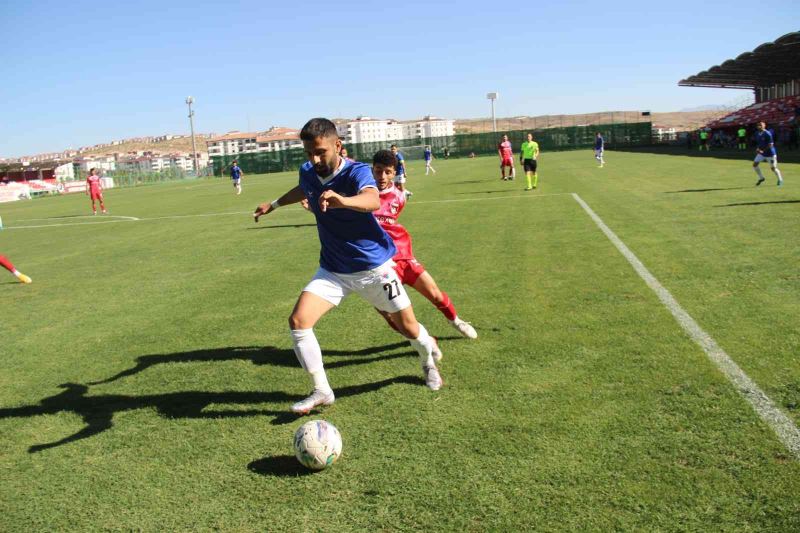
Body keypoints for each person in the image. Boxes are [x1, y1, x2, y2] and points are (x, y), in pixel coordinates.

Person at [253, 118, 443, 415]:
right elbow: (304, 188)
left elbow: (371, 200)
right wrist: (273, 205)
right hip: (333, 269)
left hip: (373, 268)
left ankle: (426, 360)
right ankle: (322, 390)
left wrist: (342, 200)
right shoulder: (309, 171)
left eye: (320, 152)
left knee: (408, 328)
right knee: (299, 322)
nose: (314, 159)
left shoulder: (357, 171)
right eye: (308, 153)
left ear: (337, 146)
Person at [371, 149, 477, 339]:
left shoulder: (399, 197)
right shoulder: (363, 195)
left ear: (394, 172)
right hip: (377, 265)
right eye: (378, 171)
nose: (382, 176)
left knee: (435, 294)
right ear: (372, 170)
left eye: (387, 171)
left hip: (403, 257)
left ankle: (456, 320)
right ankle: (423, 340)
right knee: (388, 312)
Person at [753, 121, 784, 187]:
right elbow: (760, 143)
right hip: (762, 153)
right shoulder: (757, 133)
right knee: (755, 164)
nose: (759, 126)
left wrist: (762, 151)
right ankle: (761, 178)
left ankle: (780, 180)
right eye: (758, 125)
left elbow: (771, 145)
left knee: (773, 168)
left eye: (760, 125)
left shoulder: (767, 133)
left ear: (764, 126)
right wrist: (758, 149)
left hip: (770, 154)